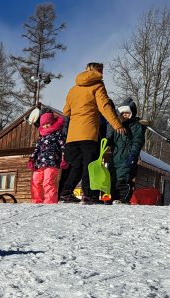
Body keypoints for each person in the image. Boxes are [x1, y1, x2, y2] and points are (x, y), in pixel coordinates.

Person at [61, 62, 126, 203]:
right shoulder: (98, 85)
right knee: (89, 165)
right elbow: (104, 107)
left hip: (72, 136)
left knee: (76, 165)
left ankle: (66, 192)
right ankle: (88, 195)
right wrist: (117, 124)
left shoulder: (73, 89)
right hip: (88, 133)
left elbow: (66, 112)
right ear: (98, 71)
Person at [106, 99, 146, 204]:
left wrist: (133, 155)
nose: (125, 115)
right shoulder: (117, 126)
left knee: (123, 180)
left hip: (127, 157)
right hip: (114, 158)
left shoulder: (136, 126)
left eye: (127, 113)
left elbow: (138, 141)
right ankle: (112, 200)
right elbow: (110, 140)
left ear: (132, 114)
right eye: (123, 113)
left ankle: (123, 199)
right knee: (112, 180)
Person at [28, 112, 67, 204]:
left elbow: (63, 147)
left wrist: (64, 159)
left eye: (47, 124)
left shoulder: (58, 134)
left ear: (52, 122)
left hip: (52, 163)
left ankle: (50, 201)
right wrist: (32, 160)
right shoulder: (41, 137)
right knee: (35, 181)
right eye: (43, 124)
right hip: (39, 163)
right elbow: (36, 150)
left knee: (48, 181)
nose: (45, 126)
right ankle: (36, 200)